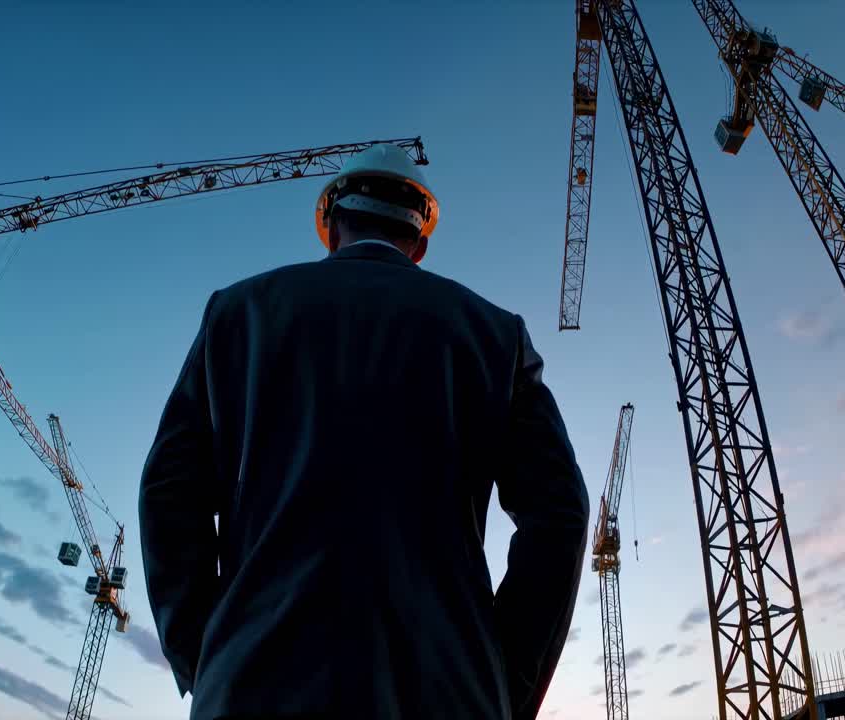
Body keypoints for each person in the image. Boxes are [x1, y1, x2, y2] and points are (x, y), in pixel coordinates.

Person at [139, 143, 589, 720]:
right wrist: (501, 685)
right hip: (446, 696)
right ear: (420, 242)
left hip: (251, 688)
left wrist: (209, 658)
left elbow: (170, 493)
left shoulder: (237, 314)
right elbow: (560, 516)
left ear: (330, 225)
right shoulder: (496, 337)